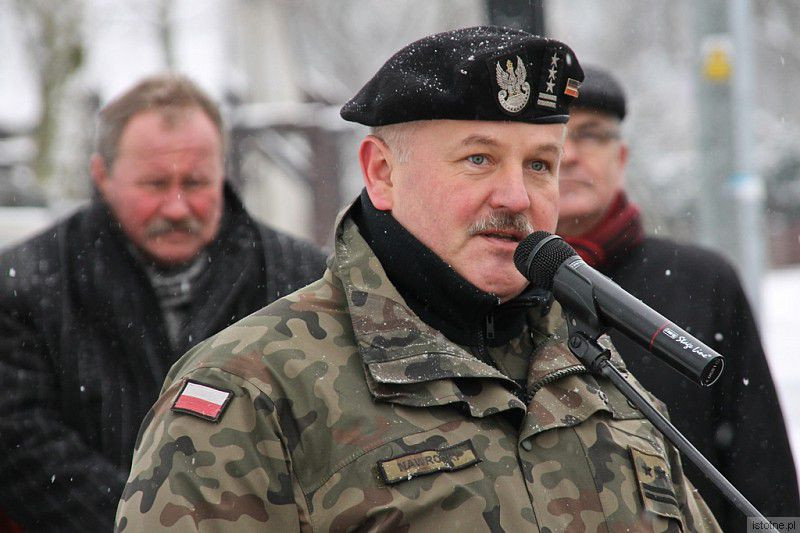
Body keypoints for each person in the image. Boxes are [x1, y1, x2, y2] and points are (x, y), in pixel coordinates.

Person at [117, 28, 720, 532]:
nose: (516, 197)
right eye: (479, 158)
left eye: (540, 164)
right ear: (382, 173)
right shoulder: (253, 391)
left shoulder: (591, 371)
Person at [0, 74, 326, 531]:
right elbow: (19, 442)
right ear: (102, 176)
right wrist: (148, 524)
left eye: (195, 182)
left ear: (223, 171)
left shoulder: (303, 281)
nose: (176, 207)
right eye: (155, 184)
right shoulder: (23, 287)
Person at [557, 65, 800, 529]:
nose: (569, 155)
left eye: (590, 135)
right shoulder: (499, 288)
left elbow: (762, 465)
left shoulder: (704, 281)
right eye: (555, 138)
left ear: (621, 156)